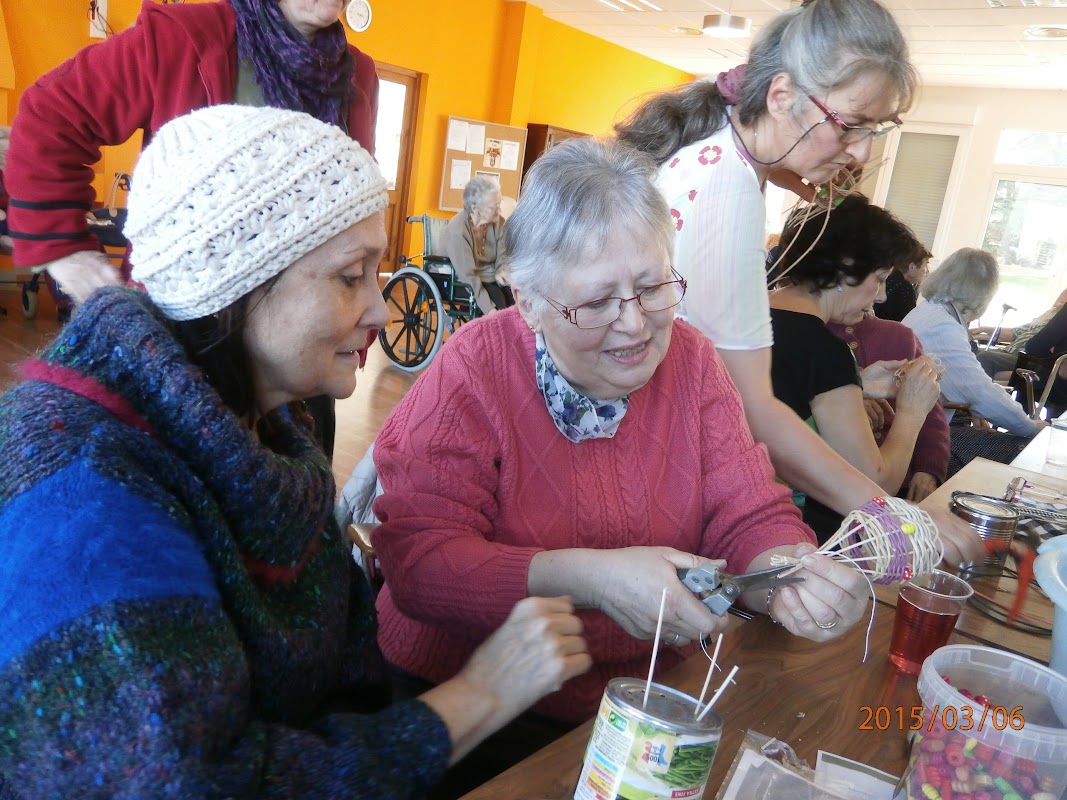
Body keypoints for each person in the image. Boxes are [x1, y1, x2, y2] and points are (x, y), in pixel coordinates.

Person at [0, 105, 591, 798]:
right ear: (238, 282)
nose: (378, 308)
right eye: (351, 275)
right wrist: (480, 695)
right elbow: (190, 784)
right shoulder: (88, 498)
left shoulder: (264, 429)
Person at [371, 138, 872, 746]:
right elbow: (419, 564)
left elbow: (746, 511)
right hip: (472, 705)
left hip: (646, 695)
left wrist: (788, 574)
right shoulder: (474, 369)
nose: (635, 323)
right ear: (527, 302)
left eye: (653, 287)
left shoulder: (692, 362)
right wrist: (593, 579)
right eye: (597, 301)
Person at [614, 0, 981, 566]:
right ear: (780, 96)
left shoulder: (724, 162)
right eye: (849, 126)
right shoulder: (726, 192)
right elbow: (752, 409)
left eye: (877, 129)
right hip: (648, 473)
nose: (861, 151)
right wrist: (890, 512)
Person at [5, 0, 377, 457]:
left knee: (295, 500)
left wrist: (351, 310)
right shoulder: (187, 37)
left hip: (301, 358)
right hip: (185, 350)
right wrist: (67, 251)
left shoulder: (356, 75)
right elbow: (50, 116)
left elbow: (353, 218)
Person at [766, 195, 943, 539]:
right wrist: (911, 410)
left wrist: (856, 383)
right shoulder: (824, 349)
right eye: (878, 279)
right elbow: (875, 489)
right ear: (843, 269)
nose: (881, 297)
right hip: (792, 533)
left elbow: (785, 393)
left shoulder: (748, 318)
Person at [902, 248, 1044, 439]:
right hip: (923, 436)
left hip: (916, 425)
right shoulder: (943, 327)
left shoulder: (929, 311)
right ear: (984, 293)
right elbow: (978, 392)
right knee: (1019, 449)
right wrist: (1030, 428)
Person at [442, 176, 512, 314]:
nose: (499, 210)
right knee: (499, 305)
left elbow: (502, 255)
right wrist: (489, 309)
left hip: (490, 279)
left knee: (514, 298)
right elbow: (468, 277)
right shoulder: (458, 231)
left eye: (500, 204)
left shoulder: (499, 224)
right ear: (475, 209)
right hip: (462, 282)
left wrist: (501, 270)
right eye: (494, 207)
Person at [872, 240, 932, 322]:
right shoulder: (905, 288)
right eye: (925, 264)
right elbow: (909, 324)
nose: (926, 271)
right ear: (912, 267)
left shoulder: (886, 279)